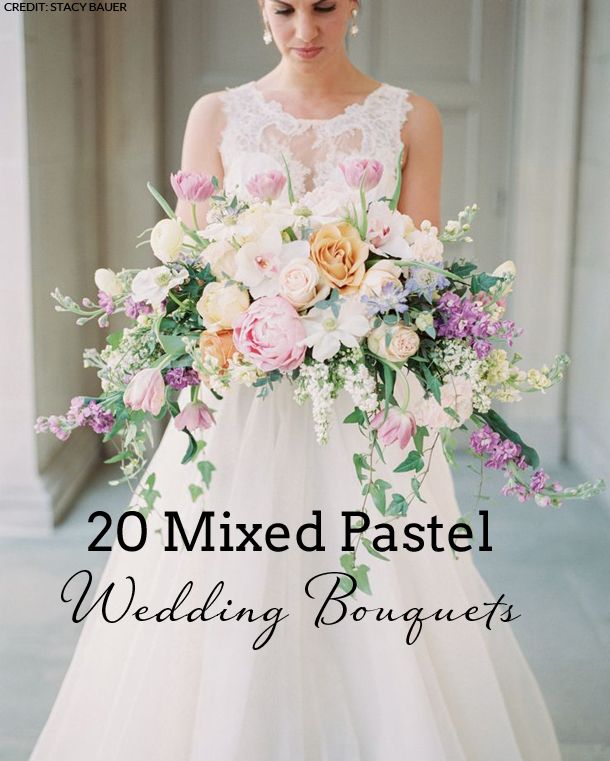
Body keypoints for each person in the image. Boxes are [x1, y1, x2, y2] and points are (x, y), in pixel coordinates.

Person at [29, 1, 563, 758]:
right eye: (284, 8)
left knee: (377, 595)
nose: (304, 29)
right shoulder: (217, 115)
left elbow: (423, 270)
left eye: (324, 5)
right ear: (261, 9)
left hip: (363, 401)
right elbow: (186, 268)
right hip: (242, 406)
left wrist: (354, 318)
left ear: (355, 6)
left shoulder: (412, 118)